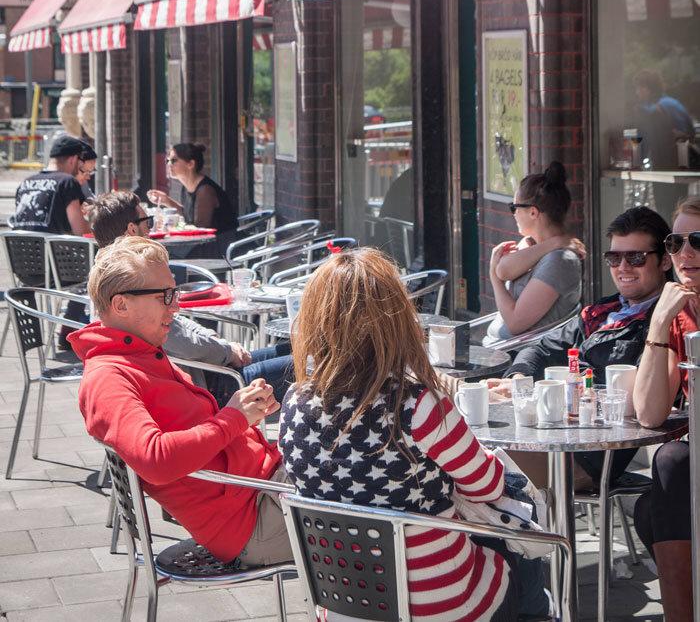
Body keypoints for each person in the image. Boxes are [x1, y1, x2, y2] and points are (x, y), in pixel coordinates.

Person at [279, 247, 521, 622]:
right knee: (526, 558)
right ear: (397, 320)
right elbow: (488, 487)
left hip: (343, 602)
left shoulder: (294, 402)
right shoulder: (418, 406)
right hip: (436, 601)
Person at [69, 235, 293, 566]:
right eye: (166, 296)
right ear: (121, 305)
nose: (176, 306)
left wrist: (248, 415)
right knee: (378, 498)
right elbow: (156, 459)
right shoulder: (109, 376)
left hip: (263, 491)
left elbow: (201, 438)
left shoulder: (141, 354)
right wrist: (233, 418)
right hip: (253, 519)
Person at [487, 205, 672, 488]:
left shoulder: (663, 321)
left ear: (664, 262)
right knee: (456, 440)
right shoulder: (601, 311)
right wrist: (519, 380)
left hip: (592, 453)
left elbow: (632, 398)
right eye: (614, 257)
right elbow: (543, 347)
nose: (623, 268)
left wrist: (542, 394)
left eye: (635, 258)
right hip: (553, 435)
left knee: (477, 468)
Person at [84, 190, 294, 404]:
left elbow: (177, 322)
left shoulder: (115, 274)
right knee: (310, 363)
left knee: (299, 349)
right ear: (131, 228)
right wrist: (227, 351)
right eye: (147, 223)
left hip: (209, 369)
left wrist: (221, 344)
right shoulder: (130, 278)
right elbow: (181, 342)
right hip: (208, 386)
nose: (151, 229)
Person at [631, 196, 700, 622]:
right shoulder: (679, 313)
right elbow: (649, 413)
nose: (685, 253)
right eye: (675, 242)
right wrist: (658, 324)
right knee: (650, 508)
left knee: (672, 462)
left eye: (699, 240)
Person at [482, 161, 583, 346]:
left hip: (519, 356)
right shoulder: (535, 245)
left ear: (533, 213)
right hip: (500, 350)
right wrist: (554, 242)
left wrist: (494, 280)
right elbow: (503, 270)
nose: (513, 213)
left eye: (514, 207)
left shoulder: (560, 261)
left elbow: (514, 323)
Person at [11, 134, 90, 236]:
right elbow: (79, 229)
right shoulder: (67, 182)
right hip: (53, 250)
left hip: (18, 249)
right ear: (73, 159)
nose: (81, 165)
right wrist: (97, 222)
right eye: (81, 161)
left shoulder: (25, 182)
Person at [147, 143, 236, 232]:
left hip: (222, 242)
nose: (169, 164)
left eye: (173, 160)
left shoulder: (205, 191)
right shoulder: (186, 187)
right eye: (167, 160)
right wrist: (166, 200)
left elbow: (201, 229)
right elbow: (187, 215)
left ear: (191, 164)